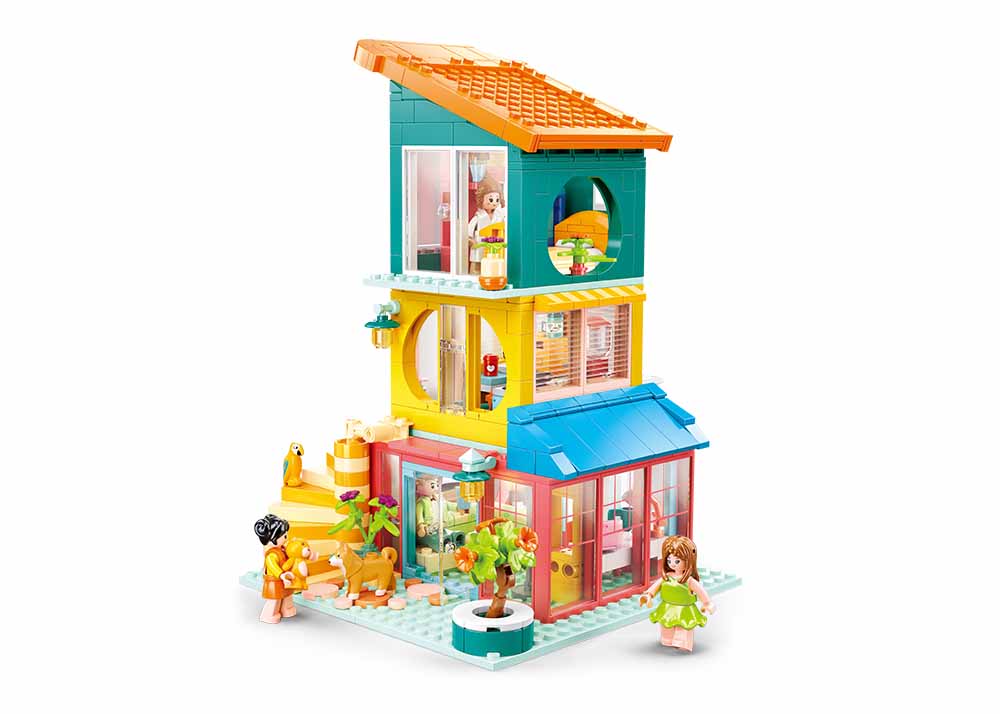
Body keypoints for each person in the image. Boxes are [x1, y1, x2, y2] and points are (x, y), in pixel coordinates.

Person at [640, 535, 715, 651]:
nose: (672, 564)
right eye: (669, 560)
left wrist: (707, 603)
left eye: (677, 561)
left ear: (688, 561)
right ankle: (668, 640)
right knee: (667, 625)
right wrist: (648, 595)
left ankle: (682, 643)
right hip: (667, 607)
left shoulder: (689, 581)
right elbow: (655, 587)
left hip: (684, 609)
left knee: (684, 626)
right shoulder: (667, 577)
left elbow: (701, 592)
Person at [254, 514, 296, 624]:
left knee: (287, 595)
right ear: (273, 539)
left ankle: (286, 609)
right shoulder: (271, 555)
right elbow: (272, 566)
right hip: (275, 581)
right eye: (284, 536)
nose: (286, 538)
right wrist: (281, 574)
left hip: (284, 580)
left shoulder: (281, 549)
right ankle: (269, 615)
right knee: (275, 599)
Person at [467, 176, 505, 275]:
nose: (494, 203)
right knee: (477, 268)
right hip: (479, 248)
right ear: (481, 199)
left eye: (497, 199)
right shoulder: (478, 217)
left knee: (493, 269)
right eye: (491, 199)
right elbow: (468, 234)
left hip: (494, 250)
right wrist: (472, 242)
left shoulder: (499, 216)